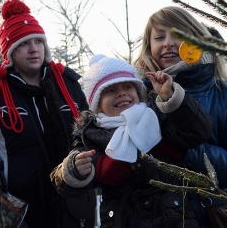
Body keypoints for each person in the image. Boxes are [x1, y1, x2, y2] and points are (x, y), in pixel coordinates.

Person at [0, 0, 91, 227]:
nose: (34, 49)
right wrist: (0, 176)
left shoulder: (68, 85)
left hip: (71, 206)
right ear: (11, 50)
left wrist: (80, 165)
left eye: (38, 41)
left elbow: (89, 135)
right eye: (24, 43)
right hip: (17, 210)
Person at [134, 6, 227, 228]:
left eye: (179, 35)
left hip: (205, 217)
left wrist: (185, 149)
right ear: (149, 46)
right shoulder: (136, 94)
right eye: (159, 37)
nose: (168, 43)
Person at [51, 54, 213, 227]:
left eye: (127, 86)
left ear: (137, 92)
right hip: (122, 220)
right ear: (97, 103)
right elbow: (62, 181)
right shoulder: (89, 134)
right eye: (110, 90)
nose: (121, 93)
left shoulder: (156, 116)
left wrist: (172, 99)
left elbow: (198, 132)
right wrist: (77, 169)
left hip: (171, 217)